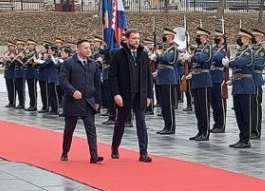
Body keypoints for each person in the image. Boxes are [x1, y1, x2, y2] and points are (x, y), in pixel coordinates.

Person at [109, 29, 153, 162]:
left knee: (141, 121)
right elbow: (112, 76)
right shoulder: (119, 55)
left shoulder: (143, 55)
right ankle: (115, 147)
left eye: (138, 38)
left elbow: (148, 76)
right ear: (127, 39)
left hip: (140, 94)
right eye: (133, 39)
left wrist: (149, 95)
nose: (136, 41)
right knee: (121, 122)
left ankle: (143, 152)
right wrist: (116, 94)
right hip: (125, 94)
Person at [58, 40, 103, 164]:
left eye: (89, 47)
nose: (88, 50)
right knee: (69, 129)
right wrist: (72, 91)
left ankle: (94, 155)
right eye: (85, 48)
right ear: (78, 49)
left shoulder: (93, 64)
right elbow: (63, 80)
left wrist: (98, 101)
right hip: (73, 101)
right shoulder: (69, 63)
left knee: (91, 129)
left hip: (88, 101)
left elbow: (97, 84)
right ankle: (65, 151)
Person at [225, 29, 256, 148]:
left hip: (246, 85)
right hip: (238, 85)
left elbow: (240, 63)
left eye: (244, 38)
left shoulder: (249, 52)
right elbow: (236, 64)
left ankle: (246, 139)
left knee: (246, 114)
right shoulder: (239, 52)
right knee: (239, 114)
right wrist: (231, 79)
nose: (241, 40)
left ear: (248, 40)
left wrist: (229, 63)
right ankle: (241, 137)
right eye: (241, 38)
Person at [181, 28, 213, 141]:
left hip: (204, 79)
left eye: (200, 36)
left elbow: (203, 59)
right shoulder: (198, 48)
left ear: (205, 38)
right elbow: (194, 62)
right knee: (198, 108)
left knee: (204, 108)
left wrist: (191, 57)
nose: (198, 38)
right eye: (198, 36)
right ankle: (200, 130)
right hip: (196, 79)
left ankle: (206, 132)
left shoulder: (208, 48)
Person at [150, 28, 179, 134]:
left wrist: (157, 56)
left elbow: (168, 59)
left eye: (166, 36)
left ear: (171, 37)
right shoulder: (166, 48)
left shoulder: (174, 48)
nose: (164, 38)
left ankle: (171, 127)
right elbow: (161, 62)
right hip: (162, 77)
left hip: (168, 78)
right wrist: (156, 70)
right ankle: (166, 125)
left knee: (169, 104)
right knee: (163, 104)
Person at [251, 29, 265, 139]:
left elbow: (259, 63)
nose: (255, 38)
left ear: (261, 38)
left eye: (257, 36)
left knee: (255, 106)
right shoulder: (250, 49)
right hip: (248, 80)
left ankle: (256, 130)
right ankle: (250, 129)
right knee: (249, 106)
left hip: (256, 79)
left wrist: (245, 62)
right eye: (254, 36)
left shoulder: (262, 51)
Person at [210, 30, 227, 133]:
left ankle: (221, 124)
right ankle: (216, 123)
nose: (217, 39)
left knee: (219, 102)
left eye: (219, 37)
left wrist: (209, 57)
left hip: (219, 77)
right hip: (211, 77)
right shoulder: (213, 48)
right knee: (213, 102)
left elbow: (218, 57)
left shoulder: (224, 49)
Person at [0, 40, 16, 108]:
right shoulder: (7, 52)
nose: (9, 47)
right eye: (8, 46)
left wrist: (9, 59)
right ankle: (10, 101)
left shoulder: (15, 53)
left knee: (13, 89)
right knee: (9, 88)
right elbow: (4, 63)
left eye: (11, 46)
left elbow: (13, 63)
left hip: (12, 73)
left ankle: (13, 102)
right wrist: (2, 61)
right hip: (7, 73)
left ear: (14, 47)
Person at [13, 40, 26, 109]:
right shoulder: (17, 53)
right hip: (16, 73)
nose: (18, 46)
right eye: (17, 45)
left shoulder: (24, 53)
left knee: (21, 89)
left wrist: (17, 59)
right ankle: (19, 102)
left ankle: (22, 103)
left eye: (19, 45)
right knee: (18, 89)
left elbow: (24, 64)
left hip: (22, 73)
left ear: (22, 45)